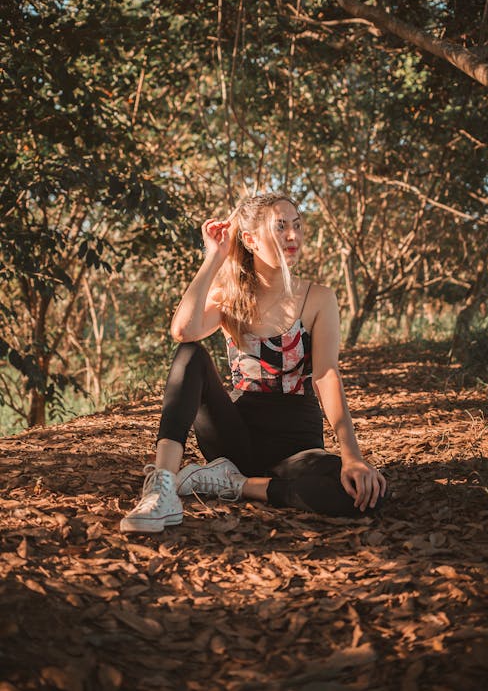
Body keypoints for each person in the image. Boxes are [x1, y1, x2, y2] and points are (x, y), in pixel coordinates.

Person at [120, 194, 387, 533]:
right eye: (280, 227)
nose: (293, 236)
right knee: (191, 354)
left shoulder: (319, 299)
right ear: (250, 240)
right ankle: (162, 488)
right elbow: (183, 331)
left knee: (363, 494)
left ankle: (236, 485)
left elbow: (326, 375)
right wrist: (214, 258)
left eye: (297, 226)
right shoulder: (230, 297)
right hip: (235, 439)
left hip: (297, 447)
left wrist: (352, 457)